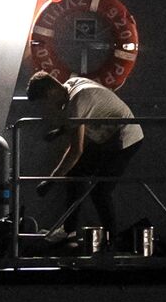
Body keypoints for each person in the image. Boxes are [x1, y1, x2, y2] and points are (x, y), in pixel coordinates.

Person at [26, 71, 143, 243]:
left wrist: (50, 181)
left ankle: (112, 240)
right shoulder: (73, 83)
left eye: (45, 103)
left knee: (100, 191)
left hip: (125, 139)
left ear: (51, 93)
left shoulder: (76, 103)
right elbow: (88, 112)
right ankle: (69, 230)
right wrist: (61, 131)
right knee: (75, 175)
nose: (47, 108)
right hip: (108, 137)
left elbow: (76, 151)